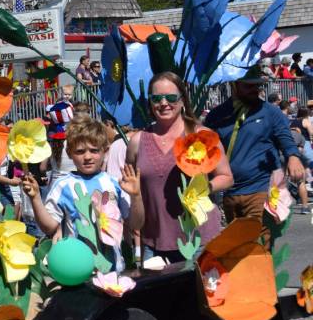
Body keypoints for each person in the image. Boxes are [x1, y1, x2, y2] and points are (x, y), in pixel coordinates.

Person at [127, 73, 233, 261]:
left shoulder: (202, 136)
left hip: (200, 240)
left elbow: (226, 177)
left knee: (199, 291)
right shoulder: (137, 142)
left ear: (183, 100)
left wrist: (203, 189)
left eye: (171, 97)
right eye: (157, 98)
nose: (164, 103)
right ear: (150, 103)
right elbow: (134, 192)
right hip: (154, 243)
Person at [23, 118, 133, 270]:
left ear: (105, 151)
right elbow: (49, 227)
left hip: (114, 269)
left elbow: (135, 223)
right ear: (69, 153)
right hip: (78, 270)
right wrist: (35, 198)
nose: (87, 157)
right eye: (80, 151)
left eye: (94, 150)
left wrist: (137, 196)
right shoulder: (62, 185)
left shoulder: (114, 183)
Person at [204, 65, 303, 230]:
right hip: (230, 193)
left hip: (261, 190)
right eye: (249, 85)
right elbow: (207, 152)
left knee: (258, 246)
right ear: (234, 85)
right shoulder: (217, 116)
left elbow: (286, 139)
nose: (255, 89)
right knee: (239, 247)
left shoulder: (271, 112)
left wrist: (293, 156)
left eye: (257, 85)